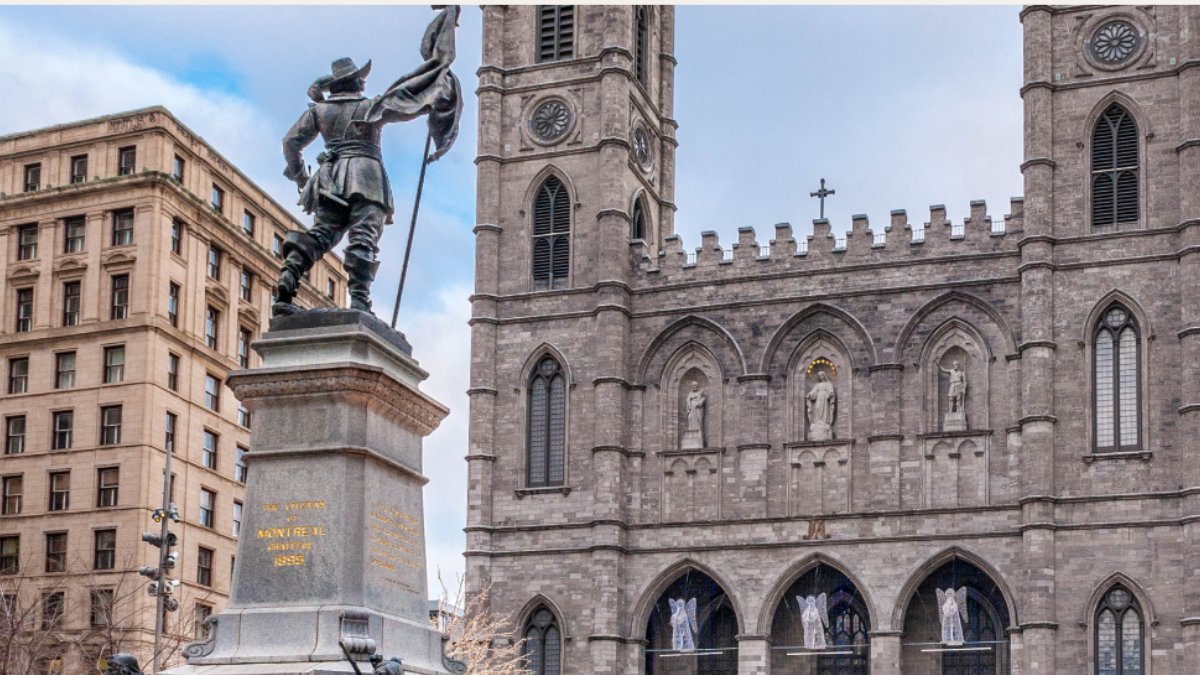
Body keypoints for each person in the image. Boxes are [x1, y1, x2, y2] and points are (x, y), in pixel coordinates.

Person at [275, 6, 462, 316]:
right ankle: (360, 300)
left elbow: (289, 143)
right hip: (366, 176)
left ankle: (288, 278)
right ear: (356, 84)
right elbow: (409, 104)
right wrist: (433, 97)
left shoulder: (317, 112)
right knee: (363, 235)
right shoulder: (371, 106)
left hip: (329, 178)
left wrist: (300, 178)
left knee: (321, 233)